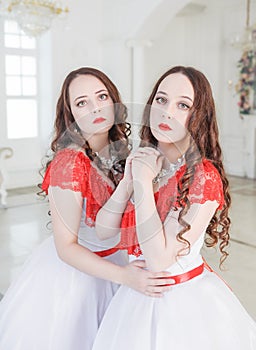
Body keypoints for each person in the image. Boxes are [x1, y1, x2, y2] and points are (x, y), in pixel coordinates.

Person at [0, 67, 174, 350]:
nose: (96, 108)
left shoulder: (121, 152)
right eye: (82, 102)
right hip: (78, 274)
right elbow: (66, 247)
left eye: (102, 96)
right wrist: (124, 277)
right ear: (71, 113)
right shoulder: (69, 163)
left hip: (121, 260)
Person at [92, 66, 256, 349]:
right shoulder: (145, 159)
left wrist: (142, 182)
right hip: (135, 295)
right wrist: (128, 180)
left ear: (198, 116)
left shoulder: (203, 177)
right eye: (161, 99)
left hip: (181, 303)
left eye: (183, 105)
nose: (167, 112)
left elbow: (159, 260)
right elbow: (103, 231)